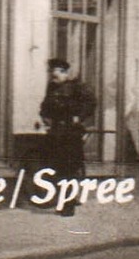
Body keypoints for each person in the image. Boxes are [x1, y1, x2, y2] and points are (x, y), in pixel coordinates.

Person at [39, 57, 96, 217]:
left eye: (56, 74)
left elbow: (91, 103)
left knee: (69, 169)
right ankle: (66, 200)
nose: (53, 78)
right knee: (59, 168)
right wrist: (45, 116)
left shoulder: (77, 87)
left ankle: (68, 205)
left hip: (71, 133)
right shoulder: (51, 88)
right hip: (56, 133)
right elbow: (45, 106)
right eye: (52, 74)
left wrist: (79, 116)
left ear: (65, 73)